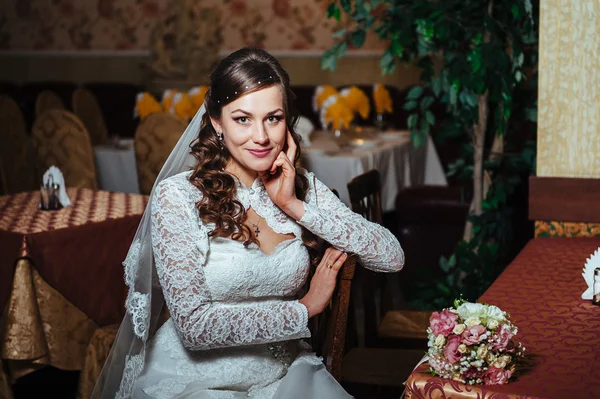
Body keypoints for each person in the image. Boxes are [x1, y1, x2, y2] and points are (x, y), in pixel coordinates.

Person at [92, 47, 404, 399]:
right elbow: (195, 327)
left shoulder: (302, 189)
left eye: (273, 118)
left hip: (285, 377)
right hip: (197, 382)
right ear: (216, 122)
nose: (261, 137)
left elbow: (391, 257)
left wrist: (295, 207)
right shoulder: (178, 197)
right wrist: (304, 309)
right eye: (243, 119)